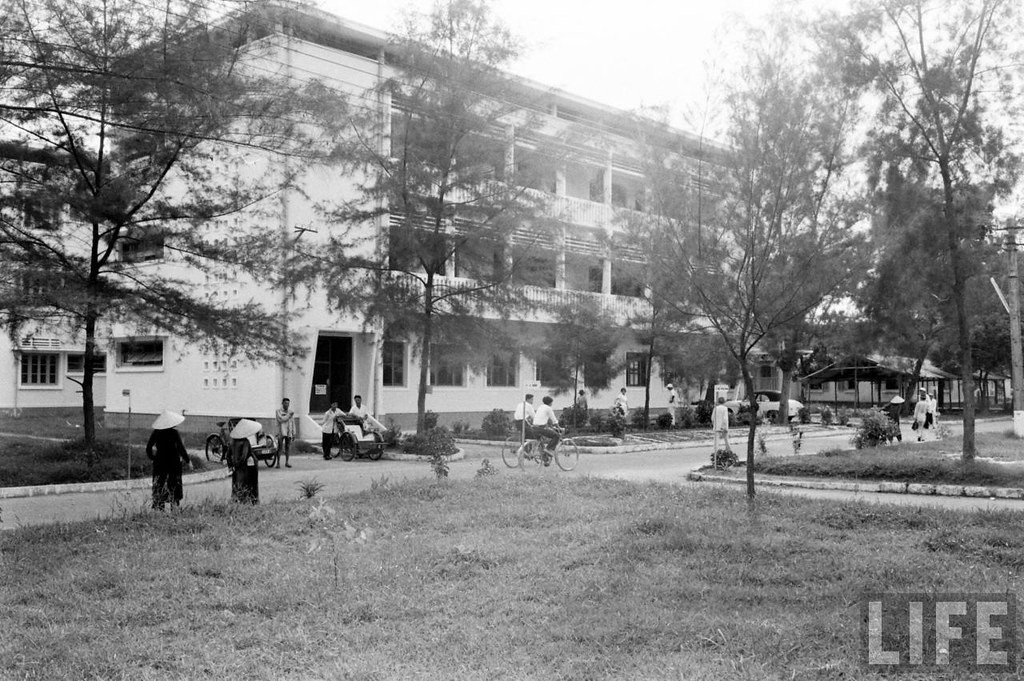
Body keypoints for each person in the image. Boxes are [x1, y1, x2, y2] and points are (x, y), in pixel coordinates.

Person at [146, 410, 191, 511]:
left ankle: (159, 508)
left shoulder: (156, 432)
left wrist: (153, 458)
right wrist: (188, 461)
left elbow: (148, 447)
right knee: (173, 484)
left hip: (160, 462)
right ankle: (174, 508)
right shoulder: (174, 433)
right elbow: (180, 448)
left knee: (160, 484)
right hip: (173, 462)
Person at [229, 418, 261, 504]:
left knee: (236, 485)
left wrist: (232, 466)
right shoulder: (245, 442)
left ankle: (236, 501)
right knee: (248, 484)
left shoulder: (231, 441)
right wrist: (240, 464)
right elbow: (244, 456)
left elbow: (228, 456)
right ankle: (250, 501)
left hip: (236, 467)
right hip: (245, 468)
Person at [532, 395, 561, 464]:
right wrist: (558, 427)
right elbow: (554, 419)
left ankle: (545, 459)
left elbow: (543, 418)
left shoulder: (540, 407)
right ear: (550, 403)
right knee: (557, 436)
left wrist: (550, 425)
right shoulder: (548, 408)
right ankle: (548, 449)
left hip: (534, 427)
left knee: (541, 441)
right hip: (541, 428)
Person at [275, 398, 295, 468]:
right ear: (282, 403)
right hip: (281, 431)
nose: (287, 405)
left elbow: (293, 422)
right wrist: (289, 415)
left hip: (288, 432)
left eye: (288, 403)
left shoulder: (290, 411)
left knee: (287, 447)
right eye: (286, 403)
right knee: (280, 447)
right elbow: (281, 419)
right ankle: (278, 463)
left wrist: (293, 432)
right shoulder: (278, 411)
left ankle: (287, 462)